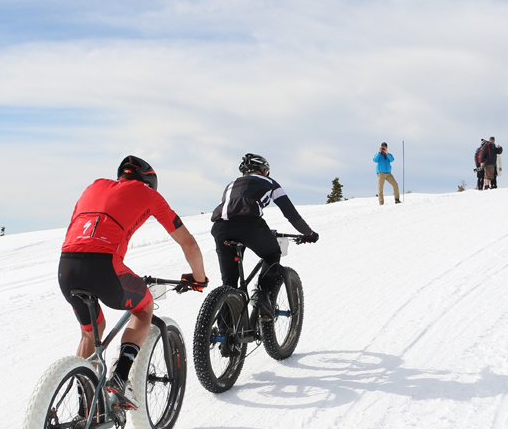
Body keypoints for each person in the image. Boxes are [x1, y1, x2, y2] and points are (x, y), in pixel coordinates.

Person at [60, 156, 209, 408]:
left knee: (90, 333)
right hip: (105, 267)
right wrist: (198, 278)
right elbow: (189, 242)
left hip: (66, 267)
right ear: (149, 182)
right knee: (143, 307)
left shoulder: (93, 186)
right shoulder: (148, 194)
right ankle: (120, 377)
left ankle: (85, 405)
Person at [211, 153, 318, 321]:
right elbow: (290, 213)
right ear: (263, 170)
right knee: (272, 253)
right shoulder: (270, 183)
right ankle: (262, 295)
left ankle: (226, 331)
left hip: (220, 228)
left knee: (229, 282)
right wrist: (308, 233)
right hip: (250, 225)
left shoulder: (231, 184)